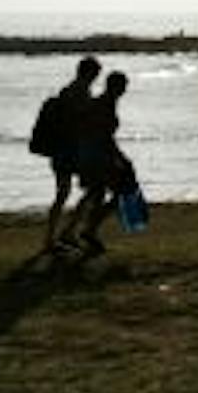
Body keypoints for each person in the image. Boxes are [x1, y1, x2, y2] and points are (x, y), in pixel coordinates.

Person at [64, 71, 132, 257]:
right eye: (123, 86)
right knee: (118, 192)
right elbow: (103, 136)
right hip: (96, 157)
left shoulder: (104, 103)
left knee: (96, 193)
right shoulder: (104, 105)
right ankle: (88, 230)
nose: (125, 90)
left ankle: (79, 230)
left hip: (92, 155)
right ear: (115, 87)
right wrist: (120, 158)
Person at [43, 56, 102, 252]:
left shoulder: (69, 90)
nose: (96, 78)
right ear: (89, 73)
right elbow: (80, 122)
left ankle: (57, 237)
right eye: (95, 74)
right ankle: (65, 234)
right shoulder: (79, 92)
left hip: (62, 150)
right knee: (90, 189)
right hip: (70, 151)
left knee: (64, 193)